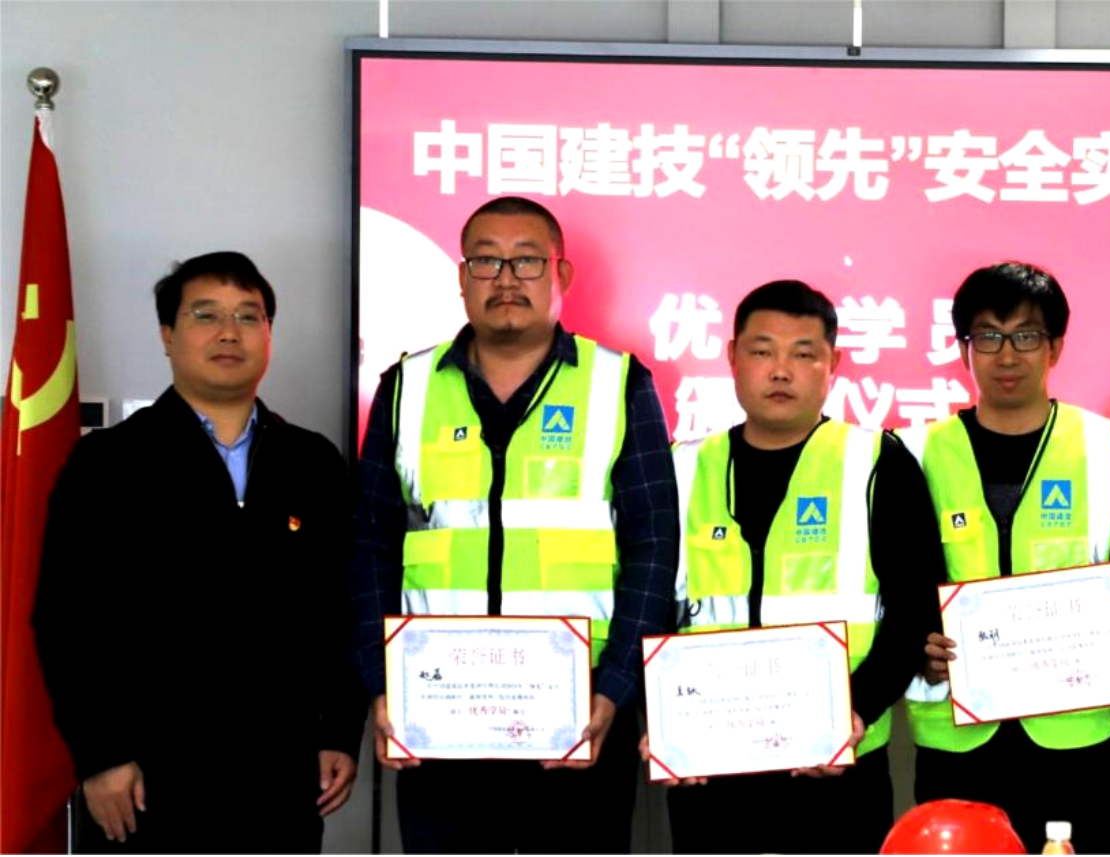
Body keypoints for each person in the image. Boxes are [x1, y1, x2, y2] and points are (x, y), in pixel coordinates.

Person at [349, 196, 679, 852]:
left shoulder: (618, 384)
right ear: (461, 276)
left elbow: (654, 548)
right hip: (440, 716)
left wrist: (615, 690)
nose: (505, 278)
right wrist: (381, 685)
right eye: (486, 261)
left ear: (562, 274)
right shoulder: (407, 387)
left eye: (526, 261)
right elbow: (369, 547)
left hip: (580, 716)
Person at [33, 252, 364, 852]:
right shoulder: (109, 463)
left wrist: (340, 731)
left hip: (281, 775)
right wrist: (101, 755)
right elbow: (67, 620)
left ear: (269, 333)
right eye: (206, 315)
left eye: (248, 316)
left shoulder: (312, 461)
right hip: (147, 781)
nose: (229, 333)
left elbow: (340, 607)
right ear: (168, 335)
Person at [654, 280, 944, 853]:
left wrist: (855, 711)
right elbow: (651, 603)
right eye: (763, 351)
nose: (781, 370)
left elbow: (913, 610)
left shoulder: (877, 462)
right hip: (710, 767)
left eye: (803, 354)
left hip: (838, 762)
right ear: (732, 357)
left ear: (833, 363)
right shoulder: (682, 468)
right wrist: (660, 719)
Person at [903, 262, 1110, 854]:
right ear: (963, 349)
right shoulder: (914, 452)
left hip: (1075, 734)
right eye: (988, 336)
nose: (1007, 354)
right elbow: (900, 579)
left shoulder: (1109, 445)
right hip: (956, 737)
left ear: (1055, 347)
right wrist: (919, 644)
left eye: (1025, 335)